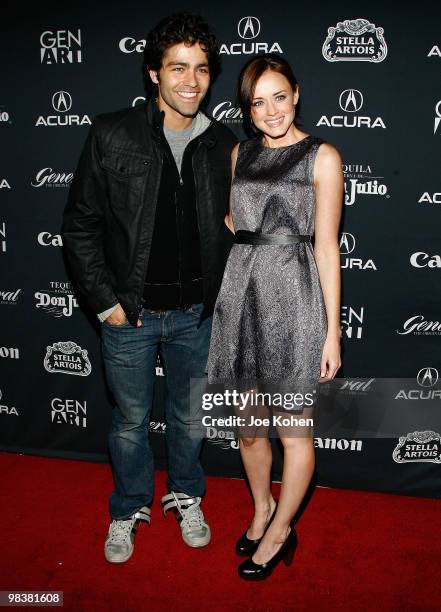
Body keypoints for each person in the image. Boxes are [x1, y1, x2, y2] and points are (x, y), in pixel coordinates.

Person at [62, 12, 237, 563]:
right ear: (153, 74)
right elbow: (80, 225)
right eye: (178, 68)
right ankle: (127, 507)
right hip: (129, 315)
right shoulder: (112, 133)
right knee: (131, 421)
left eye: (202, 69)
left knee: (189, 418)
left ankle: (186, 495)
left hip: (195, 315)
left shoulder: (221, 144)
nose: (191, 81)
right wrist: (106, 303)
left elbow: (235, 228)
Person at [207, 54, 343, 579]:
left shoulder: (322, 156)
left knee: (293, 432)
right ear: (247, 107)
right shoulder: (241, 153)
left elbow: (327, 247)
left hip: (296, 299)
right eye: (257, 102)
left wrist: (332, 331)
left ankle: (283, 528)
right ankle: (262, 508)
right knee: (247, 430)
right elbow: (235, 217)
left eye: (279, 97)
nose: (270, 110)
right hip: (241, 295)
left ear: (297, 94)